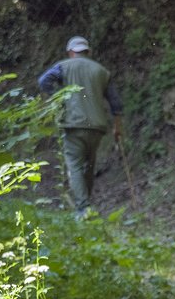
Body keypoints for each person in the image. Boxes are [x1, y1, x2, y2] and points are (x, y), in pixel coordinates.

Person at [38, 36, 123, 217]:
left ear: (70, 52)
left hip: (73, 124)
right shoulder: (101, 71)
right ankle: (87, 205)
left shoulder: (64, 66)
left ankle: (83, 208)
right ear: (88, 52)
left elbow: (43, 81)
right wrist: (117, 127)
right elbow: (115, 102)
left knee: (75, 165)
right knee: (88, 165)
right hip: (97, 127)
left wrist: (59, 97)